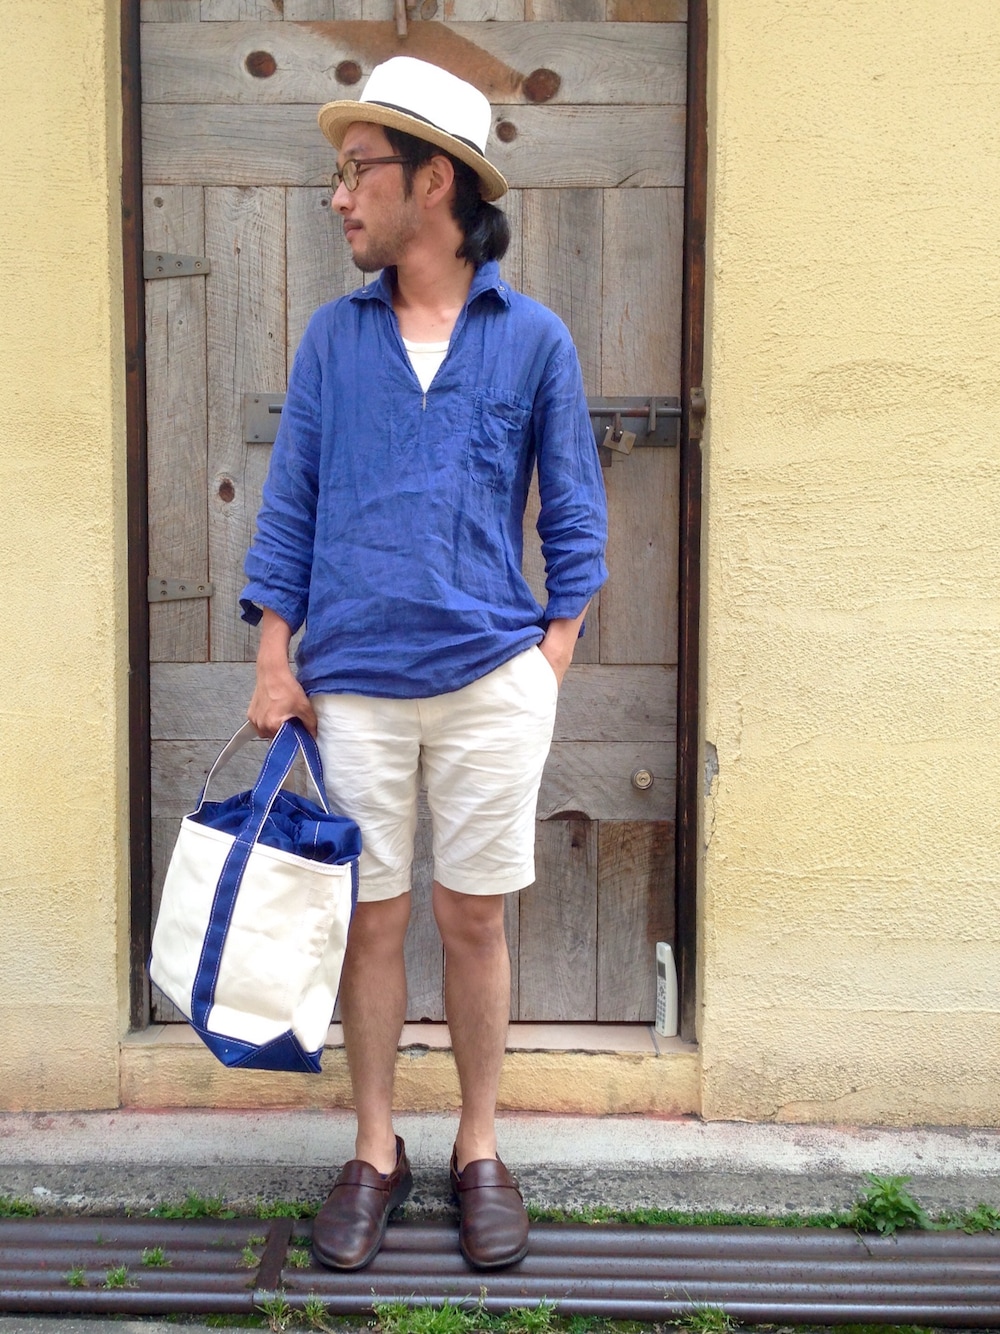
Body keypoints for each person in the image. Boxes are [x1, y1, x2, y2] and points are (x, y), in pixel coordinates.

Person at [240, 56, 607, 1273]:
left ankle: (480, 1147)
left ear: (433, 180)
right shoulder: (332, 340)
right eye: (341, 174)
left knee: (474, 917)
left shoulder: (532, 338)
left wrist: (550, 654)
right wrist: (275, 656)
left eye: (359, 172)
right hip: (352, 686)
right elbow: (289, 505)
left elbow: (575, 511)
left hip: (491, 681)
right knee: (372, 920)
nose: (339, 195)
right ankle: (375, 1147)